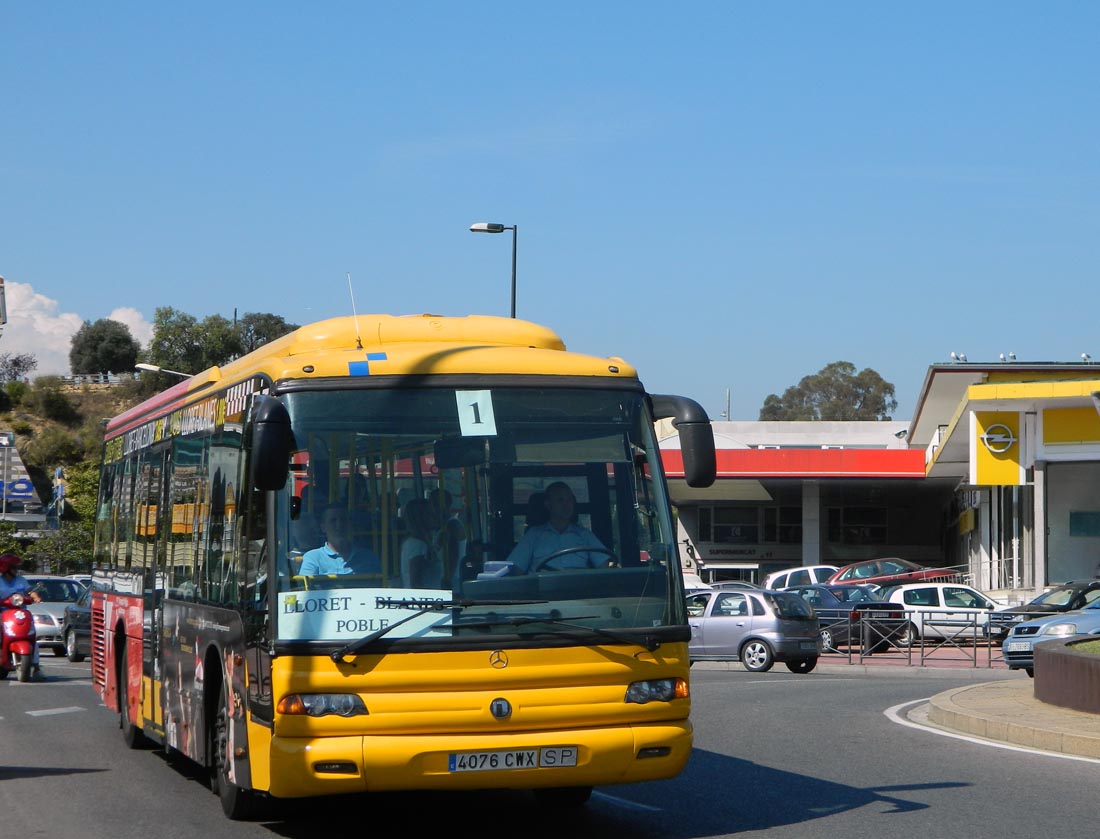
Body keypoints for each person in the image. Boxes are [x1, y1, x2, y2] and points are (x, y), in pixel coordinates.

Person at [506, 482, 610, 573]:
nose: (567, 505)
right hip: (541, 591)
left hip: (579, 591)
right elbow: (515, 570)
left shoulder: (584, 535)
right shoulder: (533, 535)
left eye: (569, 500)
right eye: (560, 500)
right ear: (548, 505)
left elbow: (606, 567)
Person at [299, 504, 381, 577]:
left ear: (350, 525)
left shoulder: (368, 558)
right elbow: (305, 590)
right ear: (323, 528)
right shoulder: (313, 558)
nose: (339, 525)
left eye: (343, 520)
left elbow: (379, 588)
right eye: (333, 521)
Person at [0, 552, 42, 679]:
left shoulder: (21, 580)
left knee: (32, 635)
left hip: (20, 612)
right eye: (14, 567)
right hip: (2, 612)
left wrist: (35, 597)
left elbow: (30, 591)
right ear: (6, 568)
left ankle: (36, 666)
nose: (16, 570)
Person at [400, 498, 444, 589]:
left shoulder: (416, 543)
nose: (435, 516)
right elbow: (416, 581)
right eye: (430, 513)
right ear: (420, 517)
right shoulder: (417, 545)